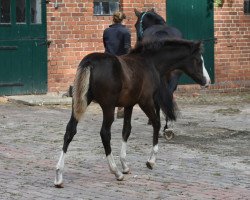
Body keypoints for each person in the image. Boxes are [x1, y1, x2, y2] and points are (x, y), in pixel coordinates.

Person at [103, 11, 131, 118]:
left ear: (113, 19)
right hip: (121, 61)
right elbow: (127, 49)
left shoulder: (106, 31)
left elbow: (105, 45)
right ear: (122, 19)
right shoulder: (126, 32)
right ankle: (121, 107)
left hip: (107, 60)